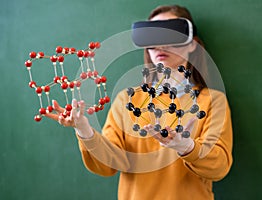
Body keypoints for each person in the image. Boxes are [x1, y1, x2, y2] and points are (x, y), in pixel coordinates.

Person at [46, 4, 233, 200]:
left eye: (170, 34)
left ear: (192, 43)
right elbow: (108, 164)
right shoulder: (127, 100)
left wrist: (187, 147)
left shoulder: (212, 101)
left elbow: (219, 167)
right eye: (152, 37)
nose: (160, 45)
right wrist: (84, 130)